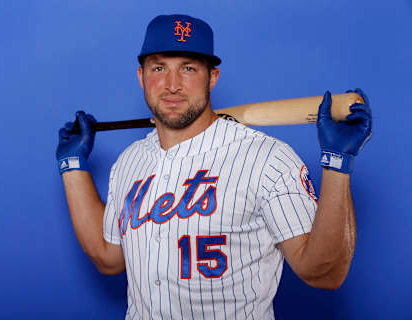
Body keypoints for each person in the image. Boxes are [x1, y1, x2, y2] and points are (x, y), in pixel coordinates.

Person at [56, 14, 372, 320]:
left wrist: (337, 163)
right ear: (141, 76)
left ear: (213, 77)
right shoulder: (129, 161)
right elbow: (108, 258)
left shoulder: (267, 159)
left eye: (189, 68)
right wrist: (72, 166)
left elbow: (325, 274)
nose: (172, 85)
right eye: (159, 67)